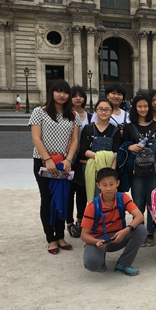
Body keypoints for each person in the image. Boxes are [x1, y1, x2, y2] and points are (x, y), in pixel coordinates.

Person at [29, 80, 81, 254]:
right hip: (43, 161)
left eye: (65, 92)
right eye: (58, 91)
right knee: (47, 199)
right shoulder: (39, 112)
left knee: (63, 198)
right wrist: (47, 159)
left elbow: (75, 140)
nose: (62, 95)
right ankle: (50, 238)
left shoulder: (73, 115)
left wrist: (69, 160)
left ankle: (60, 235)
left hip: (64, 163)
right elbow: (36, 138)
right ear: (51, 93)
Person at [80, 168, 148, 276]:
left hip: (117, 237)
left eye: (111, 184)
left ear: (117, 183)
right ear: (98, 185)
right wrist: (96, 242)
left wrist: (125, 231)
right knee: (92, 264)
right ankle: (100, 259)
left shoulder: (123, 197)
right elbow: (84, 235)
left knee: (141, 230)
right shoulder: (93, 205)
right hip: (98, 240)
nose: (108, 188)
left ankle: (123, 263)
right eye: (104, 185)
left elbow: (139, 216)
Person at [122, 93, 156, 247]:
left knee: (153, 201)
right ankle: (138, 230)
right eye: (139, 106)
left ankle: (150, 231)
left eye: (145, 106)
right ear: (134, 108)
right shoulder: (129, 127)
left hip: (154, 170)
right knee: (138, 201)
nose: (143, 109)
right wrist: (129, 146)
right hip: (136, 171)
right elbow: (122, 147)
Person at [79, 98, 121, 202]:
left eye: (107, 109)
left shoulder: (115, 130)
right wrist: (101, 157)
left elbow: (116, 152)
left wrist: (112, 171)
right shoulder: (88, 129)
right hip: (90, 169)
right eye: (101, 109)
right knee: (93, 198)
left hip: (109, 167)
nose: (103, 112)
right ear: (96, 111)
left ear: (111, 111)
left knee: (108, 198)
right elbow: (83, 150)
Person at [67, 86, 90, 238]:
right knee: (68, 193)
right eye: (74, 96)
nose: (78, 98)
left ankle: (80, 220)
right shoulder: (64, 116)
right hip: (67, 159)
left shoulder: (91, 116)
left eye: (80, 95)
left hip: (83, 160)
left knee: (82, 193)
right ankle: (69, 222)